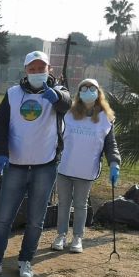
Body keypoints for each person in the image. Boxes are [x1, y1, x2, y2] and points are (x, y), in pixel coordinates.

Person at [0, 50, 72, 277]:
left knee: (36, 218)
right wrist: (0, 153)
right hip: (15, 166)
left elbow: (67, 104)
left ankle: (26, 260)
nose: (37, 72)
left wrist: (56, 98)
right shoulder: (13, 94)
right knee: (3, 217)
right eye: (32, 69)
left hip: (44, 166)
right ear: (26, 71)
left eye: (41, 68)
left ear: (49, 70)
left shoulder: (58, 92)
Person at [51, 78, 120, 253]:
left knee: (81, 204)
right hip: (65, 167)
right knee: (63, 203)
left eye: (92, 88)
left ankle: (77, 238)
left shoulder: (106, 118)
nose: (88, 91)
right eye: (84, 88)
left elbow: (110, 145)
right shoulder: (69, 113)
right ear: (79, 93)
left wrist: (114, 163)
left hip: (86, 169)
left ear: (98, 93)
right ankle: (60, 235)